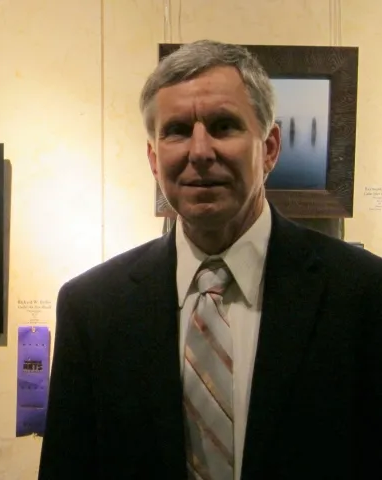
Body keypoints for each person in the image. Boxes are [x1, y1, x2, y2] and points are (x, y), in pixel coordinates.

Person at [38, 39, 382, 480]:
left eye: (223, 126)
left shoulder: (362, 295)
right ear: (153, 158)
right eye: (177, 130)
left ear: (271, 148)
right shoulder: (93, 308)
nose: (200, 151)